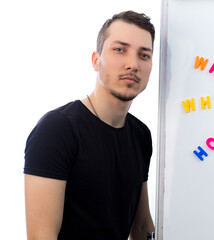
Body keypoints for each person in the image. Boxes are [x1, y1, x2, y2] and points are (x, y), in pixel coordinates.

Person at [24, 10, 155, 240]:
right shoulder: (57, 130)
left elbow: (142, 225)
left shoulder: (141, 134)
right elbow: (41, 236)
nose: (133, 64)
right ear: (96, 60)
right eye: (120, 50)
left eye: (144, 55)